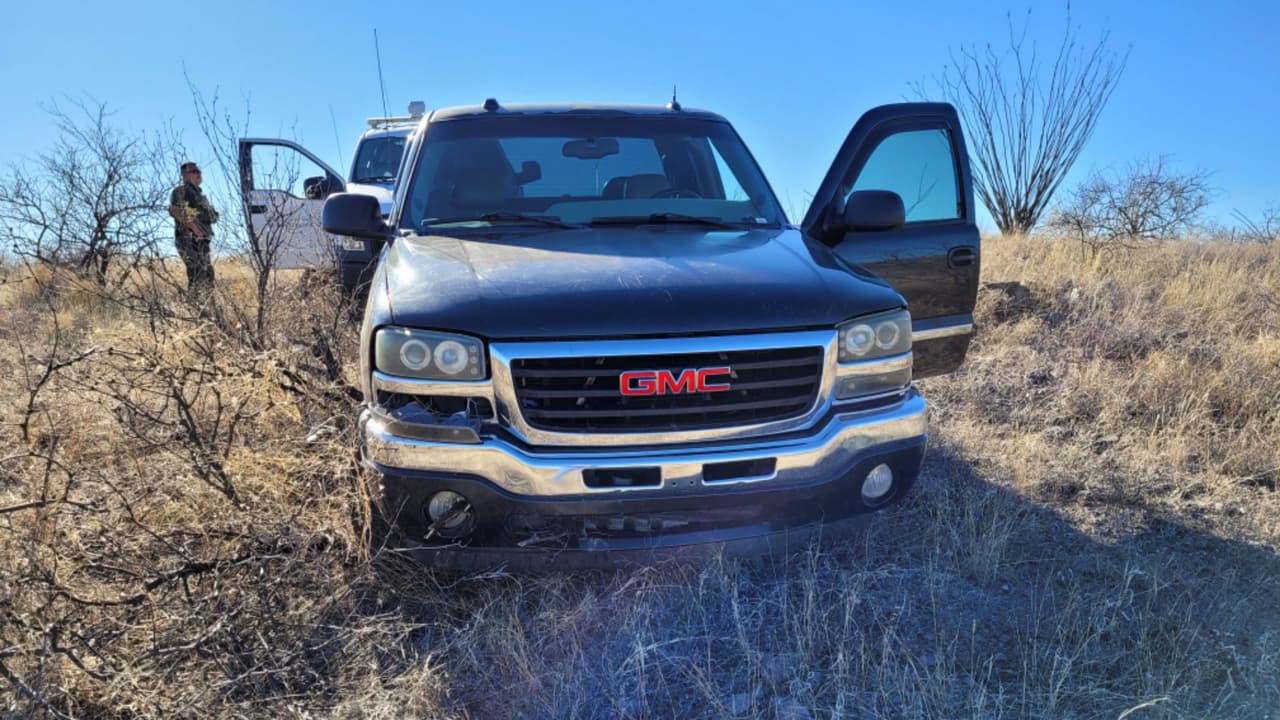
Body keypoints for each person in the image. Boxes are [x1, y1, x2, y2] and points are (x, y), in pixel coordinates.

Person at [168, 162, 218, 298]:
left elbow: (214, 217)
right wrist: (195, 229)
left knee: (207, 275)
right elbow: (175, 210)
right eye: (194, 171)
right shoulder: (182, 191)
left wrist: (207, 210)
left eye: (199, 171)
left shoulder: (200, 197)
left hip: (202, 241)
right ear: (184, 175)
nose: (198, 174)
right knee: (198, 275)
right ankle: (195, 308)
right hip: (189, 238)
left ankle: (205, 310)